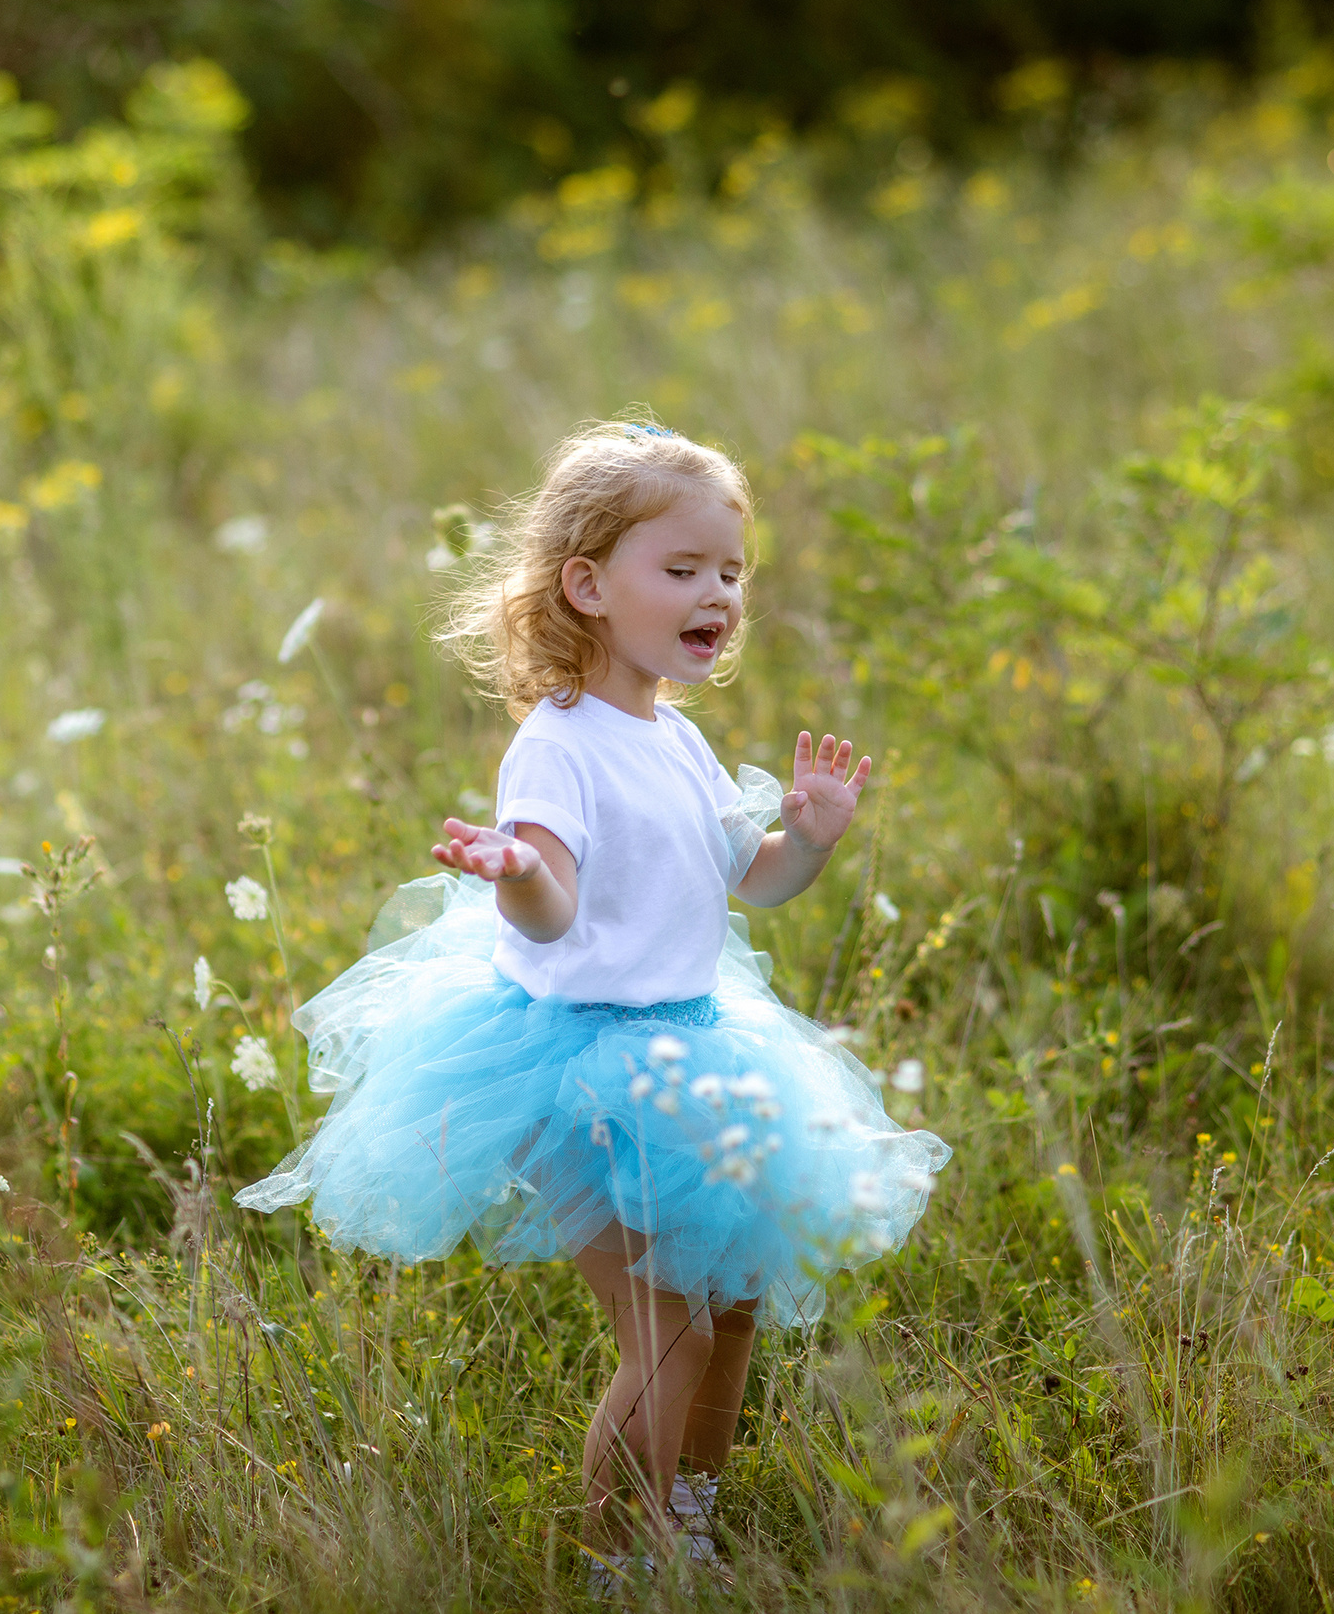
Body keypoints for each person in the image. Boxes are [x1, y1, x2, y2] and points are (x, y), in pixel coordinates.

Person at [234, 419, 950, 1586]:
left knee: (731, 1314)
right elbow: (554, 903)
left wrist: (807, 838)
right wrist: (518, 874)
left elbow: (744, 879)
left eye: (729, 569)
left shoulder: (673, 735)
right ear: (587, 585)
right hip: (585, 1069)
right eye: (681, 569)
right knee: (663, 1330)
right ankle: (619, 1551)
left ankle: (689, 1520)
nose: (716, 589)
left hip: (700, 1044)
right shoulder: (557, 745)